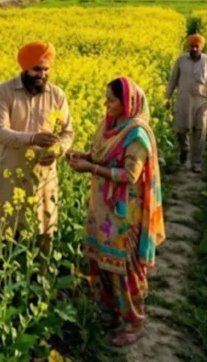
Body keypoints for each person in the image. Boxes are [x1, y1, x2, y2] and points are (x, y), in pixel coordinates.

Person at [65, 77, 165, 347]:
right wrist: (83, 157)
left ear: (127, 103)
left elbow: (130, 175)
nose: (105, 104)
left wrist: (91, 169)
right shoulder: (109, 125)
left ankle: (135, 320)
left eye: (111, 100)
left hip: (124, 215)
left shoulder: (136, 135)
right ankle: (110, 312)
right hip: (102, 209)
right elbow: (100, 155)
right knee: (101, 261)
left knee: (124, 267)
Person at [0, 41, 74, 254]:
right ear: (25, 67)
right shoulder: (3, 92)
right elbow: (0, 131)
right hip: (10, 173)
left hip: (43, 176)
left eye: (46, 69)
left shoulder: (57, 95)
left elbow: (67, 133)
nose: (42, 75)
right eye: (37, 69)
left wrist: (57, 151)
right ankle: (6, 269)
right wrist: (34, 138)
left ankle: (41, 271)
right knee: (8, 229)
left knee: (43, 230)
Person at [164, 33, 207, 174]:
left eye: (197, 46)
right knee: (180, 130)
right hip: (183, 101)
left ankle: (196, 162)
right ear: (188, 47)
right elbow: (172, 80)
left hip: (201, 103)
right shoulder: (181, 60)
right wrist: (167, 98)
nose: (194, 49)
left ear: (201, 47)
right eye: (191, 46)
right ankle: (185, 149)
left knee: (199, 132)